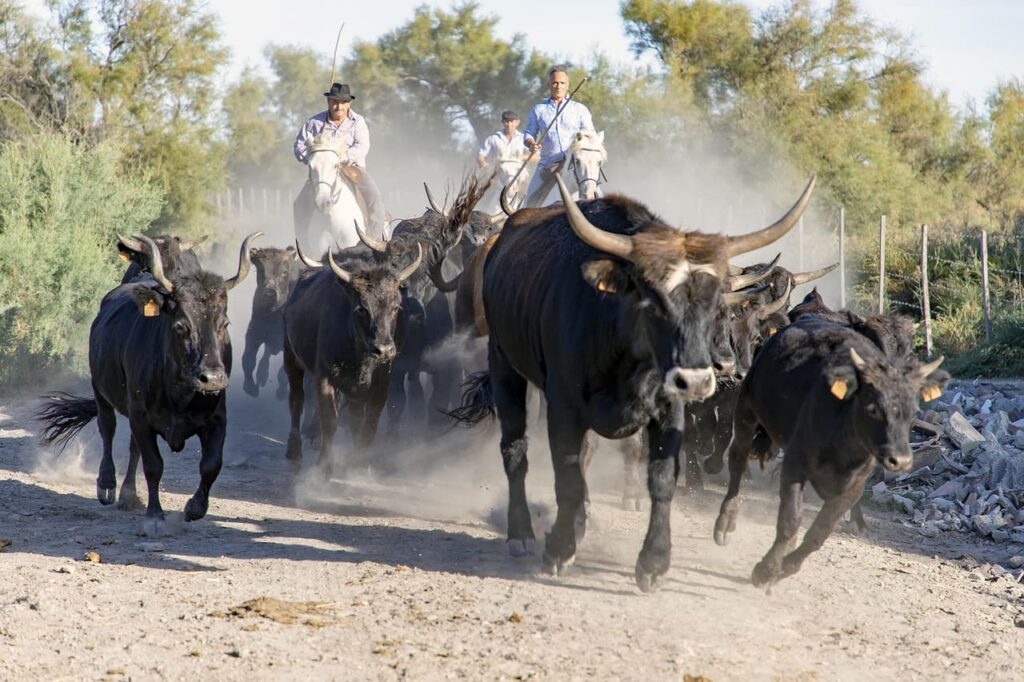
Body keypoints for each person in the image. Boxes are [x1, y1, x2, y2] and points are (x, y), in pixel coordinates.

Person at [292, 82, 386, 240]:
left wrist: (342, 157)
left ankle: (375, 240)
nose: (338, 107)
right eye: (335, 102)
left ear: (349, 103)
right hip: (322, 171)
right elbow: (299, 146)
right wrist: (312, 156)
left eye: (343, 103)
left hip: (353, 169)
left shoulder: (358, 122)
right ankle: (303, 244)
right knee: (299, 204)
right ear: (328, 102)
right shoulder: (314, 123)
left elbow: (362, 146)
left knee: (374, 197)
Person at [521, 66, 595, 208]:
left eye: (562, 83)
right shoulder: (539, 109)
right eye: (555, 83)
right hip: (548, 164)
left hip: (575, 163)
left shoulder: (580, 110)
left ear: (568, 85)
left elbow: (590, 135)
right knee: (528, 204)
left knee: (597, 196)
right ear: (549, 85)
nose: (558, 86)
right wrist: (531, 143)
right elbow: (529, 133)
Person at [477, 110, 531, 206]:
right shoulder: (493, 138)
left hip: (518, 176)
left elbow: (536, 157)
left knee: (530, 195)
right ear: (502, 122)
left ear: (517, 122)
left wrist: (523, 157)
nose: (509, 124)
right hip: (498, 175)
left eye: (512, 121)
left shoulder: (524, 139)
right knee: (483, 195)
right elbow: (481, 155)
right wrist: (484, 164)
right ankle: (482, 209)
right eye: (506, 121)